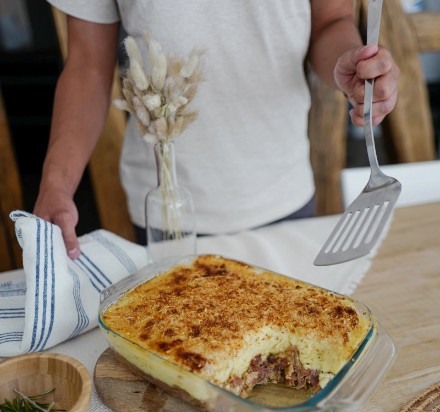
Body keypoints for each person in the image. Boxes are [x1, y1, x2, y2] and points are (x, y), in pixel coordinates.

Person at [35, 1, 399, 259]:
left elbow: (330, 20)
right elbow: (87, 66)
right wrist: (56, 184)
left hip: (283, 195)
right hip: (167, 213)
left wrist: (350, 63)